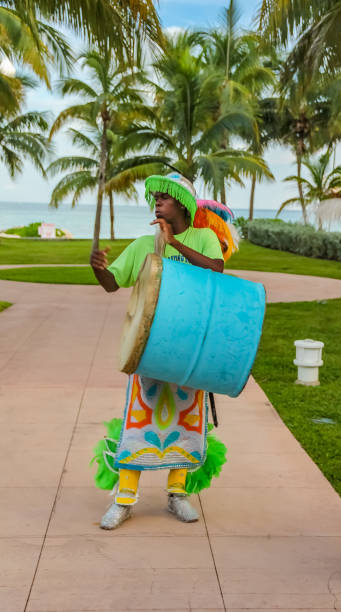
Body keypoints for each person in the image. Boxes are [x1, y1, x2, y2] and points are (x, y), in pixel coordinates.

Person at [90, 173, 225, 529]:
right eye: (157, 197)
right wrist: (99, 270)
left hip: (190, 349)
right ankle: (124, 500)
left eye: (165, 197)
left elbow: (217, 269)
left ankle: (177, 494)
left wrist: (174, 244)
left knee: (187, 423)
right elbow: (112, 284)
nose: (158, 201)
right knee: (139, 423)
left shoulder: (204, 238)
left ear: (182, 203)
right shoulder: (141, 245)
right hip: (150, 350)